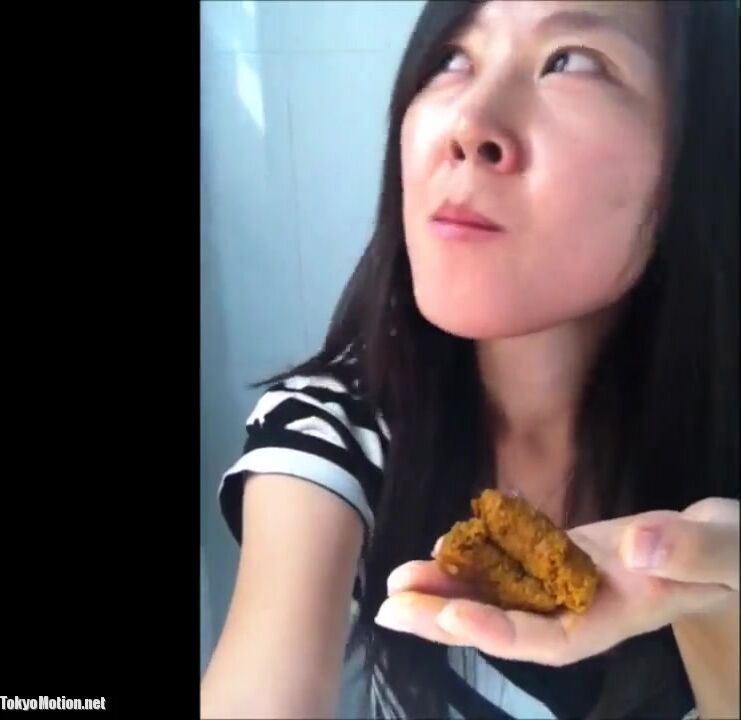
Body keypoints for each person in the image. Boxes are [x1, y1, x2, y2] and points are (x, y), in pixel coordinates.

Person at [200, 1, 739, 717]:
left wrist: (718, 608)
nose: (468, 124)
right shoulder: (330, 429)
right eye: (452, 58)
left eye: (571, 61)